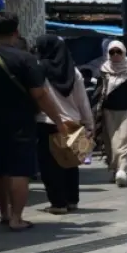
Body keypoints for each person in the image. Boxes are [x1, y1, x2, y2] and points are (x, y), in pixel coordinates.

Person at [0, 12, 71, 230]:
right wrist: (58, 120)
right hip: (21, 121)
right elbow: (39, 94)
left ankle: (4, 211)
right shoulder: (26, 59)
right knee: (19, 170)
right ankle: (17, 218)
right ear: (16, 32)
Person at [34, 35, 94, 215]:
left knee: (49, 166)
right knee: (69, 162)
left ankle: (58, 203)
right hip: (72, 123)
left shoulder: (39, 70)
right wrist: (89, 124)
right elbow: (83, 101)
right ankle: (72, 200)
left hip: (47, 122)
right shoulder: (73, 72)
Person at [94, 40, 127, 187]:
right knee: (111, 141)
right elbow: (98, 92)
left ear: (124, 52)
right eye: (112, 52)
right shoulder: (104, 69)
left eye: (118, 51)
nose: (115, 55)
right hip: (109, 110)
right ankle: (114, 168)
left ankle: (122, 170)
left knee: (125, 140)